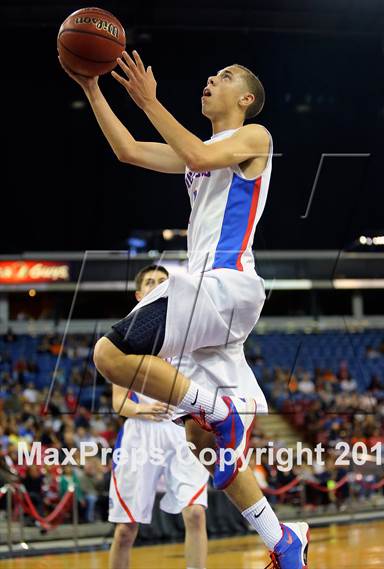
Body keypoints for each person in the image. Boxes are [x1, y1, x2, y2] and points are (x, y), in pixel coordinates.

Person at [60, 51, 309, 569]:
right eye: (210, 74)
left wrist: (149, 101)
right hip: (214, 298)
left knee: (108, 356)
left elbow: (196, 155)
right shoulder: (199, 149)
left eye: (223, 78)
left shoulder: (255, 138)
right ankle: (284, 541)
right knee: (204, 444)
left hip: (222, 283)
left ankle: (215, 411)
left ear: (245, 99)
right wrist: (92, 88)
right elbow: (128, 151)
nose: (209, 80)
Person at [108, 265, 209, 569]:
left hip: (181, 432)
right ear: (139, 294)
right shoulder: (125, 339)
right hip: (141, 433)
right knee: (126, 530)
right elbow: (118, 402)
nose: (156, 285)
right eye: (150, 282)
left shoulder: (192, 336)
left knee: (195, 513)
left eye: (163, 282)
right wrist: (142, 409)